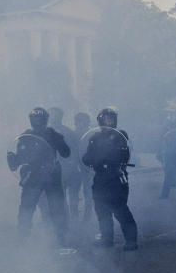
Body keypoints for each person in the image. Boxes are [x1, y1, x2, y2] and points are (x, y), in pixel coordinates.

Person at [7, 107, 70, 246]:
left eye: (40, 119)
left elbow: (66, 153)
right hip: (32, 176)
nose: (37, 122)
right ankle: (22, 239)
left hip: (51, 175)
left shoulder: (53, 134)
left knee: (56, 208)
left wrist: (59, 140)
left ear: (45, 120)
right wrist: (13, 159)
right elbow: (20, 158)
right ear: (30, 120)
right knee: (26, 208)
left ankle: (61, 238)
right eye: (34, 119)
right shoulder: (26, 136)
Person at [82, 107, 138, 250]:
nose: (110, 122)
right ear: (100, 120)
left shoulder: (120, 135)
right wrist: (89, 159)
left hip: (116, 176)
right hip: (100, 177)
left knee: (120, 209)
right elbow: (87, 157)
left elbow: (123, 154)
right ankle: (106, 239)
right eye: (107, 119)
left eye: (112, 119)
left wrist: (105, 158)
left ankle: (131, 241)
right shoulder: (94, 138)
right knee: (101, 210)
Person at [52, 108, 85, 220]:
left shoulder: (69, 132)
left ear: (61, 117)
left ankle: (74, 218)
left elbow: (77, 150)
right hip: (55, 170)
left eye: (56, 115)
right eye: (52, 115)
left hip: (70, 169)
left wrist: (74, 164)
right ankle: (63, 218)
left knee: (73, 197)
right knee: (59, 197)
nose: (54, 117)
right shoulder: (46, 132)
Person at [74, 112, 95, 221]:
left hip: (89, 168)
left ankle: (87, 217)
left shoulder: (93, 134)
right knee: (73, 194)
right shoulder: (72, 134)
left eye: (83, 121)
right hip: (75, 168)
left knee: (88, 193)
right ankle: (74, 216)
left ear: (87, 122)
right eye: (78, 121)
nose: (80, 123)